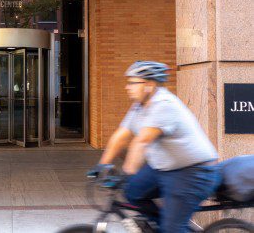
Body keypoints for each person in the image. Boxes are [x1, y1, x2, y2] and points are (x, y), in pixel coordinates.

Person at [87, 61, 220, 233]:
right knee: (133, 191)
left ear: (149, 85)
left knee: (173, 228)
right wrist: (102, 165)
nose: (128, 87)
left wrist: (127, 173)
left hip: (193, 172)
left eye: (133, 83)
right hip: (164, 167)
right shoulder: (139, 106)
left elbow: (142, 141)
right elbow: (121, 136)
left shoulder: (164, 104)